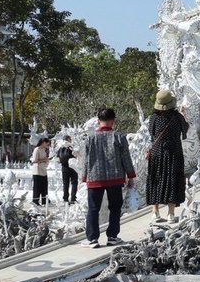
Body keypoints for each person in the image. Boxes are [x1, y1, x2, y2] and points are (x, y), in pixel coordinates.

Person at [80, 108, 136, 248]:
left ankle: (92, 239)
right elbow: (126, 159)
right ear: (113, 121)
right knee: (115, 208)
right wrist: (131, 176)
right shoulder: (119, 137)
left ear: (99, 121)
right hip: (115, 178)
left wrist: (84, 177)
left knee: (93, 209)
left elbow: (85, 160)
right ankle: (112, 236)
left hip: (95, 178)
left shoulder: (90, 138)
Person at [145, 89, 190, 223]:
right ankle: (171, 213)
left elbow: (151, 133)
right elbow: (185, 130)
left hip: (157, 152)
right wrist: (183, 114)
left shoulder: (154, 118)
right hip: (174, 151)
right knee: (172, 179)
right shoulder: (177, 117)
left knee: (156, 178)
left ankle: (155, 212)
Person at [56, 135, 78, 204]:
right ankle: (73, 198)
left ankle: (65, 198)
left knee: (66, 184)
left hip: (64, 168)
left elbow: (58, 159)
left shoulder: (60, 149)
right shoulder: (72, 147)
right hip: (73, 167)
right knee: (74, 183)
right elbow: (76, 156)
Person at [30, 135, 51, 205]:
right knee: (37, 188)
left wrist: (47, 160)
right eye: (47, 143)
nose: (48, 145)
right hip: (37, 171)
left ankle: (44, 201)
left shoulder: (44, 150)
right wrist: (44, 159)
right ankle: (35, 202)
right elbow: (34, 161)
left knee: (44, 188)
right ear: (43, 142)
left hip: (44, 171)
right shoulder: (37, 149)